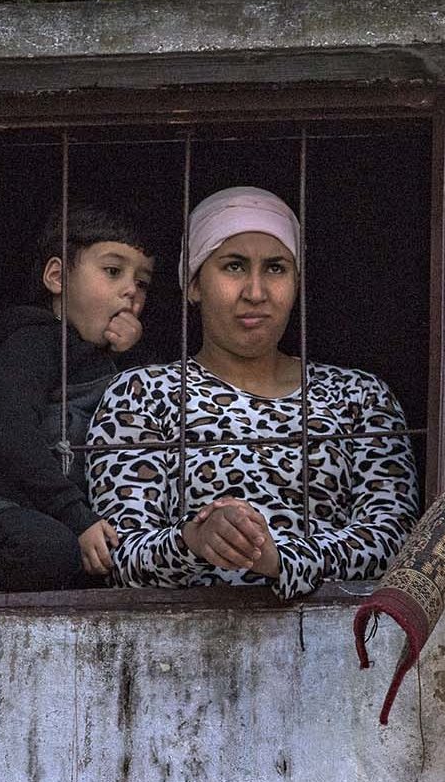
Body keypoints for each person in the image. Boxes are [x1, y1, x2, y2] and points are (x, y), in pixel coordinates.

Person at [86, 185, 417, 597]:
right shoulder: (143, 394)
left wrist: (279, 559)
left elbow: (396, 541)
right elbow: (117, 557)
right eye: (234, 267)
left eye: (276, 268)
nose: (256, 292)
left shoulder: (360, 397)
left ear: (296, 283)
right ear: (193, 284)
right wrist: (193, 541)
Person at [0, 204, 155, 592]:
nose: (130, 290)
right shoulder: (30, 341)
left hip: (72, 521)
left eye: (142, 282)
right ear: (57, 276)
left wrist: (130, 357)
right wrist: (77, 517)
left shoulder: (120, 367)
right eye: (113, 271)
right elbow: (9, 435)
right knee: (51, 549)